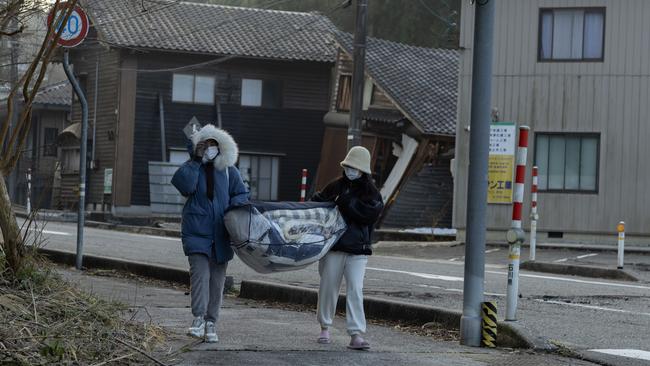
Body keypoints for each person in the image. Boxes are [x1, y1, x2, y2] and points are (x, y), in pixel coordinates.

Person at [171, 124, 249, 343]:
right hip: (196, 232)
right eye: (206, 145)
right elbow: (184, 186)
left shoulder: (228, 171)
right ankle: (198, 319)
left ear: (222, 148)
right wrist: (195, 160)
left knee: (217, 281)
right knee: (200, 276)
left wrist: (235, 210)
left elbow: (241, 194)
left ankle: (211, 322)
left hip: (222, 234)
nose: (210, 149)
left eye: (215, 145)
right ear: (199, 146)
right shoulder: (192, 167)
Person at [311, 146, 384, 350]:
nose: (351, 170)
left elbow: (369, 215)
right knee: (327, 287)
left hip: (358, 250)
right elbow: (317, 202)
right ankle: (325, 327)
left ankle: (356, 333)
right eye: (349, 166)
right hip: (334, 247)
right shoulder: (335, 186)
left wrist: (345, 203)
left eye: (355, 167)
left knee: (355, 290)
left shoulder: (371, 193)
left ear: (363, 170)